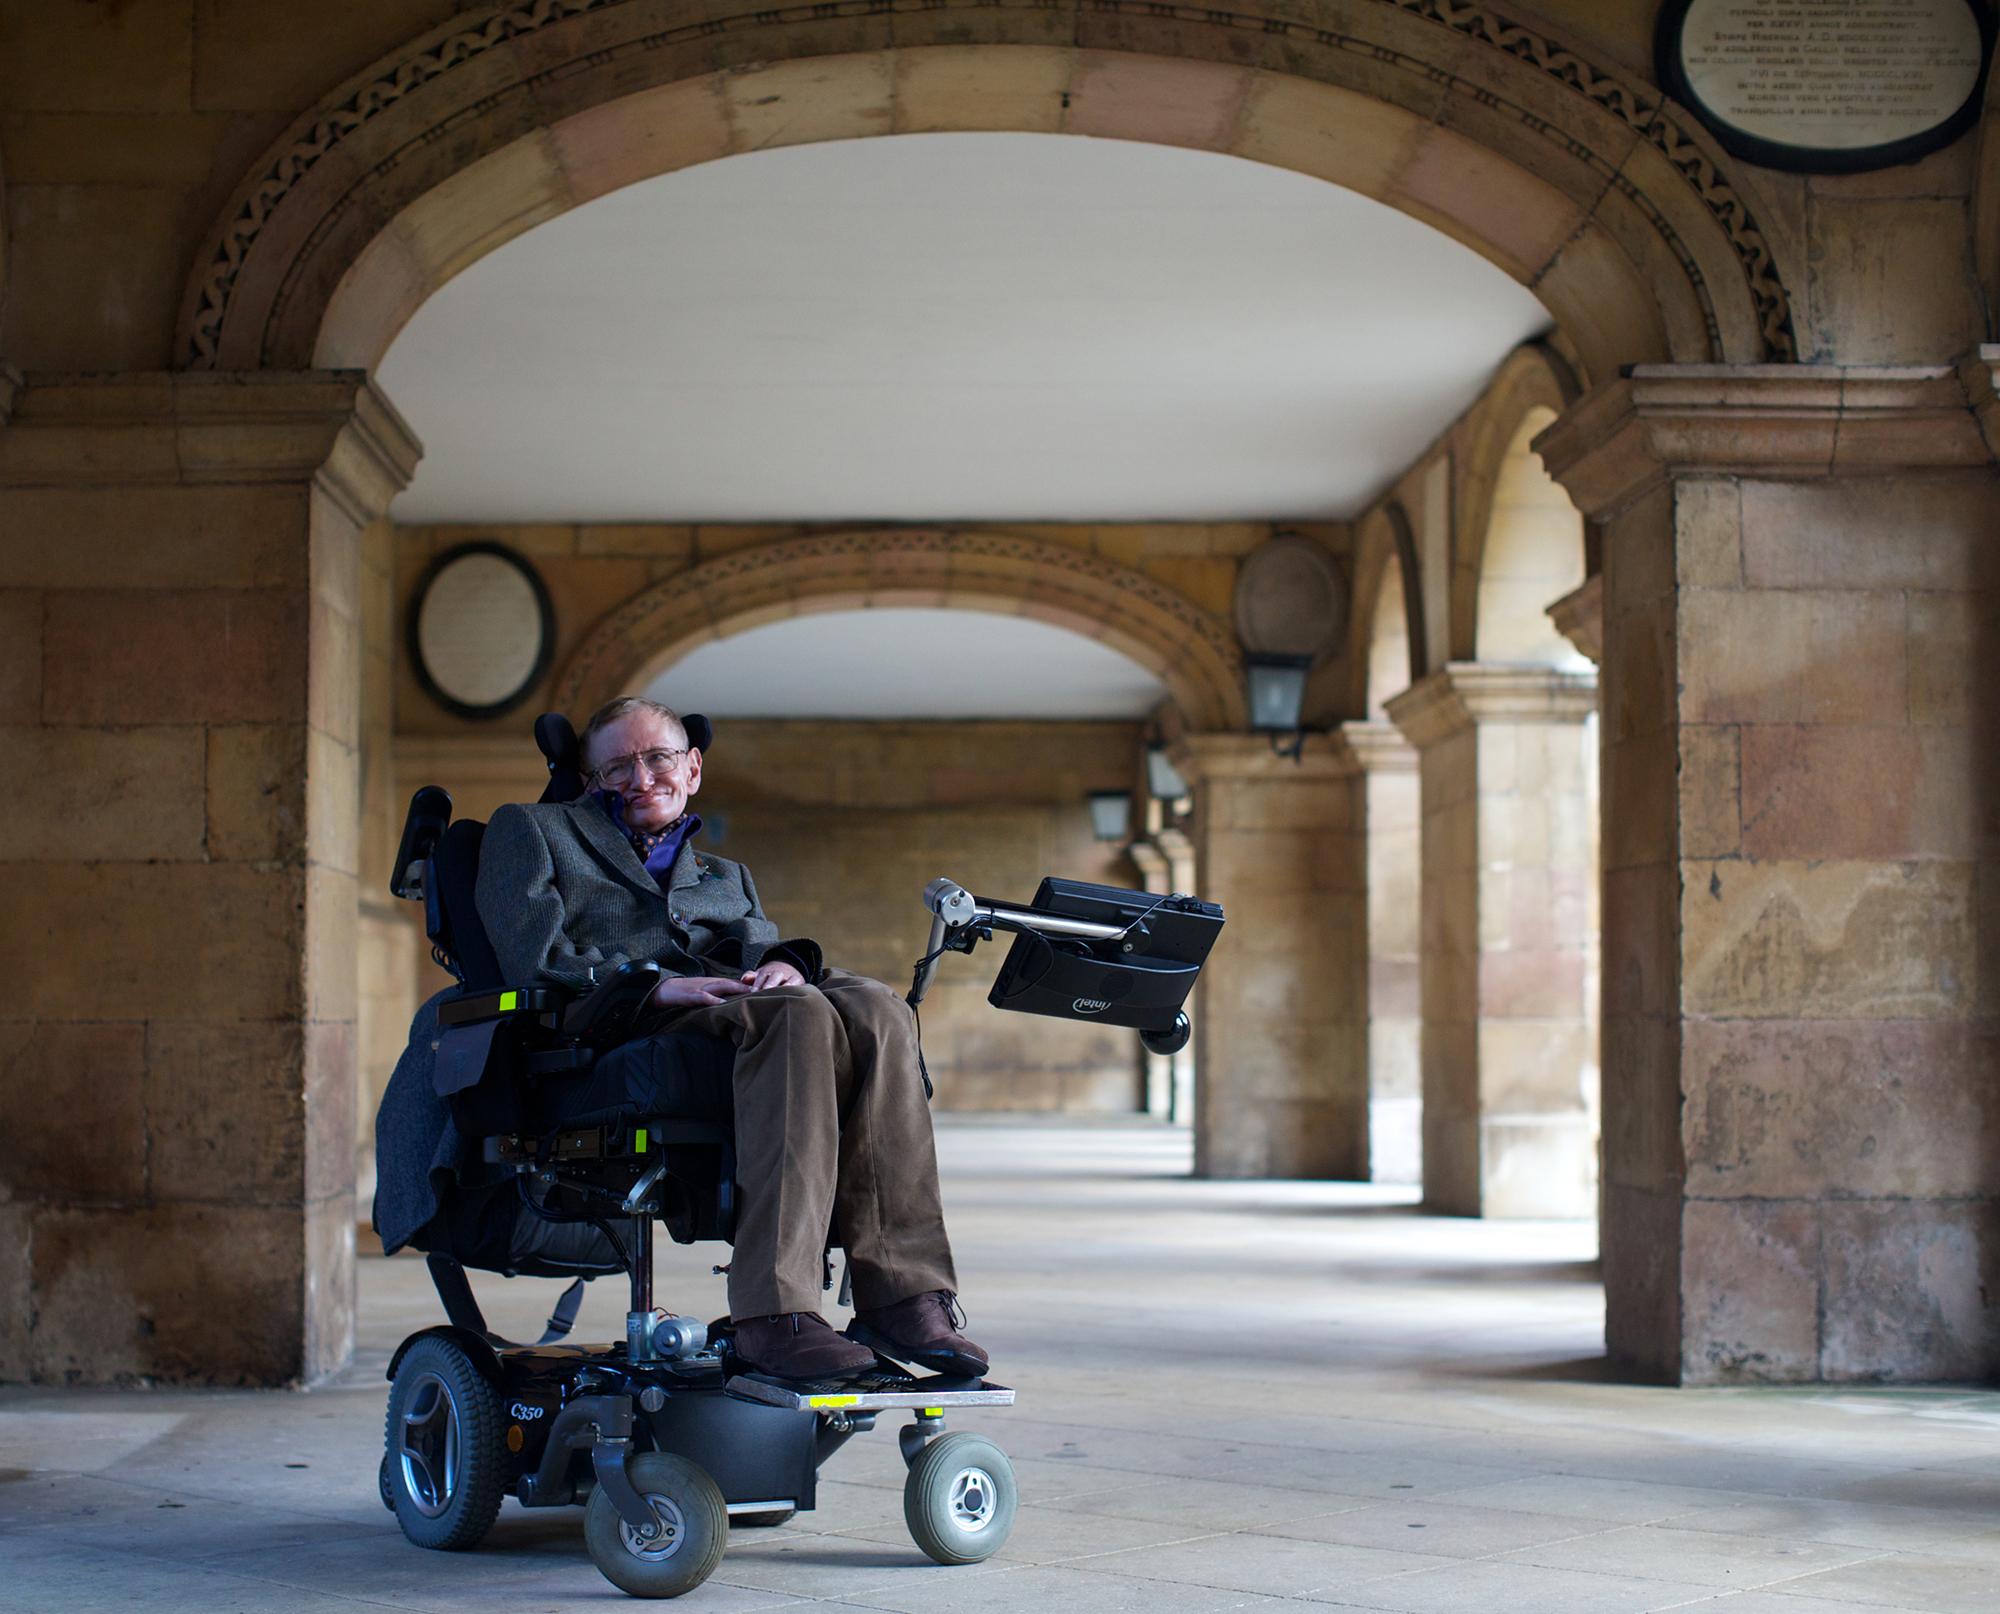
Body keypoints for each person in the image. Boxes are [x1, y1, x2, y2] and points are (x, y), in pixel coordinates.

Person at [474, 695, 987, 1384]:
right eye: (618, 766)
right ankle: (774, 1315)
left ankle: (901, 1293)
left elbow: (760, 945)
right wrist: (652, 988)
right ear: (591, 780)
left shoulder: (725, 874)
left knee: (876, 1005)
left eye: (657, 758)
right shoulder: (533, 831)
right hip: (618, 1020)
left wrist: (782, 965)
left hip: (735, 1004)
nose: (641, 777)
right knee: (798, 1017)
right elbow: (534, 959)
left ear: (692, 769)